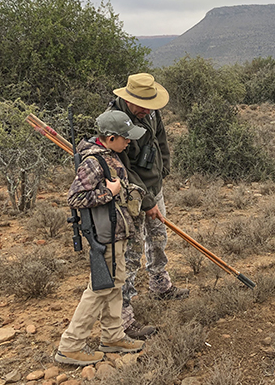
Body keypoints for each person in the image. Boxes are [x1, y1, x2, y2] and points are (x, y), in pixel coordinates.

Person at [55, 110, 147, 366]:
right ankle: (70, 345)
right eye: (125, 138)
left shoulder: (109, 156)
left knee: (114, 285)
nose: (129, 142)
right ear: (109, 137)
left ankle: (113, 336)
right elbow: (74, 198)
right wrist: (107, 192)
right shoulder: (94, 162)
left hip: (115, 233)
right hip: (105, 235)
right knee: (98, 289)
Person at [108, 73, 189, 340]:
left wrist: (163, 167)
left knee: (158, 238)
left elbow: (161, 140)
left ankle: (160, 284)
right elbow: (123, 168)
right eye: (141, 104)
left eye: (149, 103)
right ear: (128, 98)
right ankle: (123, 319)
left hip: (154, 187)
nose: (146, 108)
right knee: (130, 254)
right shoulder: (115, 122)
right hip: (131, 195)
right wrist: (146, 201)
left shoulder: (151, 114)